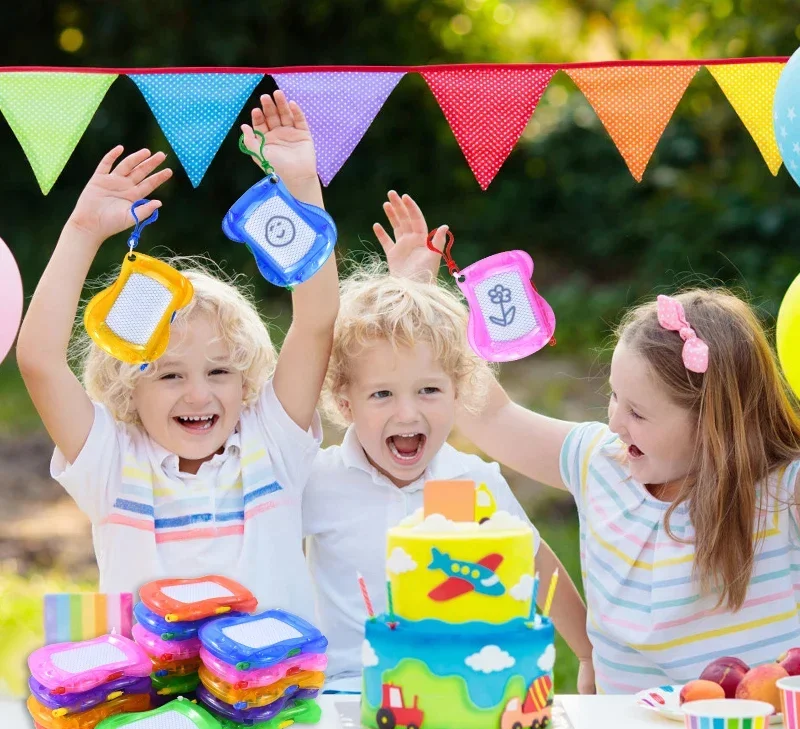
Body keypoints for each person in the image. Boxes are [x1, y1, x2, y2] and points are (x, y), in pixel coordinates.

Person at [16, 91, 338, 621]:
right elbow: (40, 362)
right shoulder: (112, 464)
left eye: (219, 371)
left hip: (278, 698)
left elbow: (317, 321)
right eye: (169, 374)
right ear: (127, 385)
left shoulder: (271, 443)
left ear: (244, 379)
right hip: (146, 703)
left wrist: (302, 186)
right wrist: (83, 231)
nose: (199, 393)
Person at [303, 191, 594, 692]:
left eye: (430, 391)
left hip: (458, 689)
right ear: (344, 403)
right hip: (346, 691)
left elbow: (534, 558)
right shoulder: (318, 482)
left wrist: (589, 652)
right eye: (382, 394)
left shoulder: (473, 481)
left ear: (459, 392)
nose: (408, 412)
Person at [457, 286, 800, 693]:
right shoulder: (601, 463)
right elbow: (492, 416)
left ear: (714, 422)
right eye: (614, 397)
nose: (616, 423)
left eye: (637, 412)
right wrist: (422, 294)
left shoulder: (782, 491)